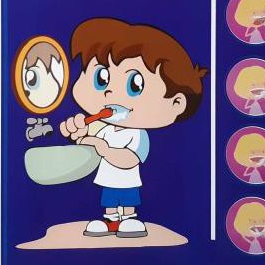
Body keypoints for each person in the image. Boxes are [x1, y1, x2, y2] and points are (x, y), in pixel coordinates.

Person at [60, 17, 207, 239]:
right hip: (107, 178)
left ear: (176, 102)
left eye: (134, 85)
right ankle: (111, 222)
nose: (110, 93)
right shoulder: (103, 126)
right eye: (102, 78)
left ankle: (129, 219)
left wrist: (104, 148)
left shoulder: (137, 134)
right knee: (109, 201)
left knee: (127, 199)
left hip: (127, 180)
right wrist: (77, 131)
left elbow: (130, 159)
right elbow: (84, 139)